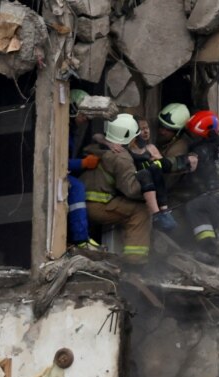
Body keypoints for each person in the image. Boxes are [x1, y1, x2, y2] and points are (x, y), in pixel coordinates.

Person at [78, 114, 154, 264]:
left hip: (79, 205)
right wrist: (148, 186)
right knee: (141, 211)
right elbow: (131, 190)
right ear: (129, 137)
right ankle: (135, 261)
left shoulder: (95, 148)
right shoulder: (121, 158)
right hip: (98, 206)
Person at [182, 110, 219, 255]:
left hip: (218, 193)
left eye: (192, 134)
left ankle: (208, 246)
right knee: (214, 218)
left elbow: (191, 172)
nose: (189, 137)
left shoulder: (201, 151)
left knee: (194, 207)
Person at [66, 89, 99, 249]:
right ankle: (80, 240)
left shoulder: (70, 128)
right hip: (53, 177)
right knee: (77, 187)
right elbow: (60, 163)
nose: (86, 119)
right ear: (72, 110)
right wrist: (83, 164)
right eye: (83, 115)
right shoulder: (62, 128)